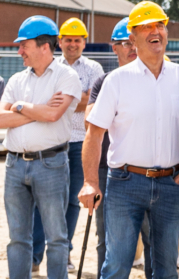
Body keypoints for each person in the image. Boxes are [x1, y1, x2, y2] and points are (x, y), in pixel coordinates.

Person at [80, 1, 179, 279]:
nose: (155, 31)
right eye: (146, 26)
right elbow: (94, 134)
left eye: (159, 25)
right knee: (118, 264)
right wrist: (90, 182)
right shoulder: (116, 81)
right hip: (125, 184)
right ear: (132, 38)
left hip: (172, 184)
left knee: (166, 268)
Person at [0, 16, 82, 279]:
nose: (19, 51)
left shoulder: (67, 76)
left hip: (51, 165)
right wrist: (41, 109)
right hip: (14, 166)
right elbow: (1, 119)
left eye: (24, 45)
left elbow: (54, 116)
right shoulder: (16, 80)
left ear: (43, 46)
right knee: (17, 238)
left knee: (56, 238)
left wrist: (20, 106)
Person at [30, 17, 104, 273]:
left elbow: (93, 103)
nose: (72, 44)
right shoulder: (49, 64)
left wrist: (64, 99)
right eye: (68, 39)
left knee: (74, 201)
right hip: (53, 142)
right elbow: (45, 100)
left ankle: (64, 254)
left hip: (81, 144)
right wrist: (78, 97)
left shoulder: (94, 69)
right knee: (44, 201)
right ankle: (35, 256)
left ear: (84, 42)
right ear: (59, 41)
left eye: (77, 40)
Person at [84, 17, 153, 278]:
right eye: (125, 43)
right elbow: (90, 121)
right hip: (107, 169)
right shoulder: (104, 82)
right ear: (114, 48)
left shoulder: (155, 77)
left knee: (152, 237)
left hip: (148, 169)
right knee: (107, 236)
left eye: (134, 41)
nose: (131, 47)